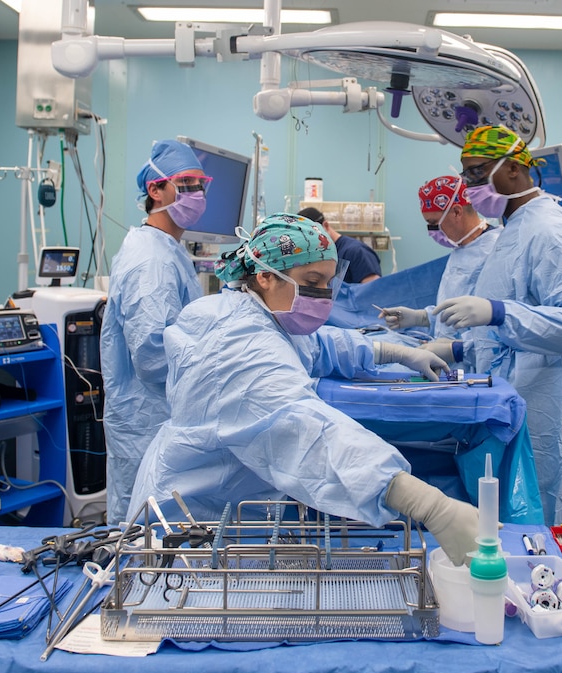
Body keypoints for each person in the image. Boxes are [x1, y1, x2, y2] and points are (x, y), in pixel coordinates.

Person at [126, 214, 479, 565]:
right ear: (265, 275)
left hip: (229, 512)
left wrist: (394, 351)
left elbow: (317, 344)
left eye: (328, 282)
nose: (324, 295)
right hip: (190, 535)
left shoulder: (251, 312)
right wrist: (425, 503)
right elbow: (307, 431)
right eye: (312, 280)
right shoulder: (238, 346)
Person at [424, 125, 562, 528]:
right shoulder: (516, 228)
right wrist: (459, 350)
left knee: (548, 525)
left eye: (476, 173)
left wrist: (499, 312)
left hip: (543, 408)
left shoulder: (548, 230)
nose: (468, 186)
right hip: (513, 402)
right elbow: (503, 339)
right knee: (511, 525)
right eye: (466, 175)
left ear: (512, 169)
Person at [99, 139, 211, 525]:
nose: (197, 194)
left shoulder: (168, 250)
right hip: (148, 418)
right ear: (155, 189)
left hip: (163, 415)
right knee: (141, 533)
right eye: (187, 183)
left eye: (201, 185)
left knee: (164, 529)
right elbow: (153, 356)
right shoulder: (149, 260)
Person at [379, 176, 500, 342]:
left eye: (434, 223)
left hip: (481, 360)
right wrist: (422, 317)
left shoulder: (495, 250)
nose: (431, 232)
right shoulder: (461, 249)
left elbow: (496, 323)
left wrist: (458, 350)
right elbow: (456, 310)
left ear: (457, 212)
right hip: (455, 359)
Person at [297, 206, 381, 283]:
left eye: (313, 236)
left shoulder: (356, 251)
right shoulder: (322, 255)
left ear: (325, 226)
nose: (312, 244)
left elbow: (373, 291)